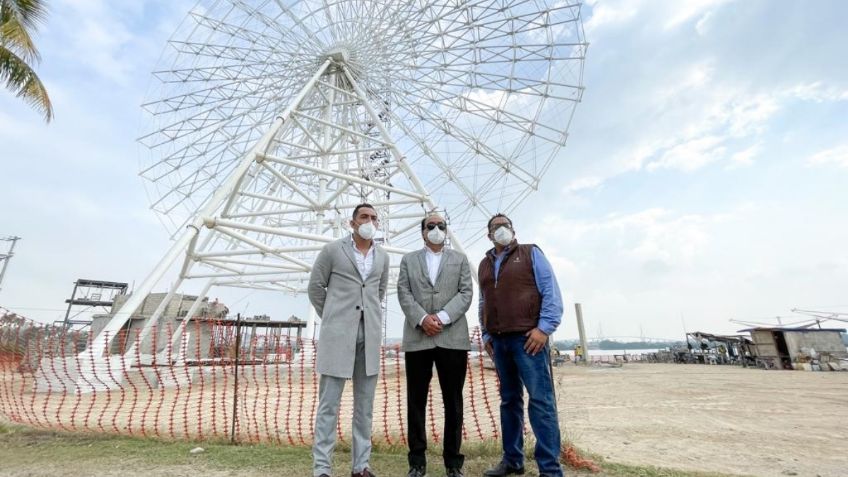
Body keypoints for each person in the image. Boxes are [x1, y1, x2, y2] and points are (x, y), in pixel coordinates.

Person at [479, 213, 564, 477]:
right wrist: (485, 335)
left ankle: (549, 469)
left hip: (529, 340)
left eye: (505, 225)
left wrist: (544, 329)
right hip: (499, 340)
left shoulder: (531, 253)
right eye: (495, 227)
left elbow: (550, 291)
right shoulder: (484, 264)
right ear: (489, 234)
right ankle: (512, 459)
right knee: (509, 401)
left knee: (541, 401)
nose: (501, 229)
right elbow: (483, 302)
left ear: (513, 229)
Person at [308, 203, 390, 477]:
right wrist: (332, 318)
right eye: (364, 217)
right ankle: (322, 469)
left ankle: (361, 466)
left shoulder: (383, 258)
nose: (370, 221)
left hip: (370, 337)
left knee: (364, 407)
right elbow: (316, 288)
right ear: (352, 222)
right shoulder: (332, 251)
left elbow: (378, 291)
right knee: (329, 405)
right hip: (337, 337)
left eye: (374, 218)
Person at [397, 213, 474, 477]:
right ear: (422, 232)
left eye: (441, 226)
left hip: (452, 338)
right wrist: (422, 319)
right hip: (418, 338)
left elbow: (466, 293)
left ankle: (453, 463)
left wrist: (440, 318)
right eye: (431, 226)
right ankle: (416, 462)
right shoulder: (408, 260)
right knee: (416, 402)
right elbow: (403, 292)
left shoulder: (460, 260)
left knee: (453, 401)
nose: (437, 229)